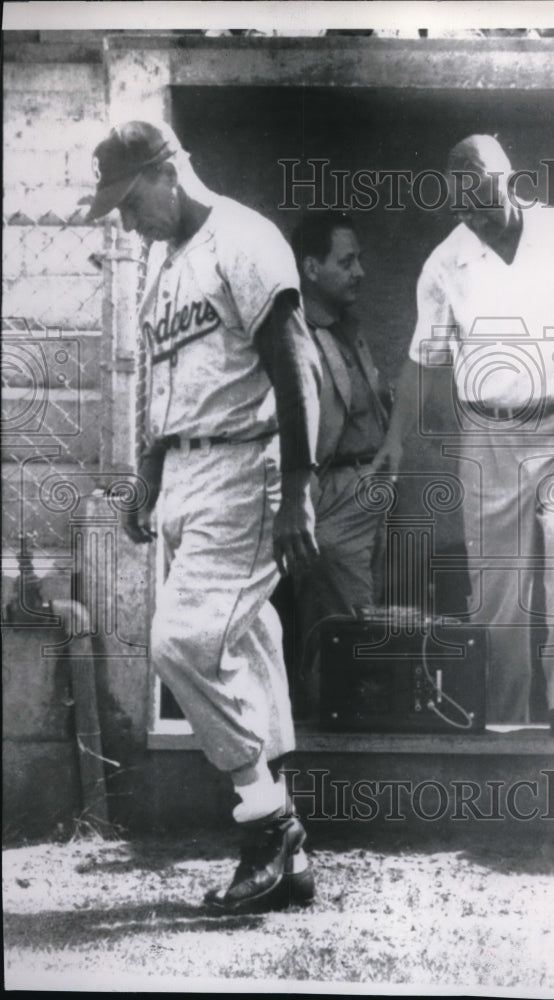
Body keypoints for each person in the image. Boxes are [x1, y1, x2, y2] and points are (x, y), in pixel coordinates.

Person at [85, 120, 322, 912]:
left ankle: (267, 823)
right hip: (187, 470)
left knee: (179, 642)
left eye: (128, 202)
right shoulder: (166, 267)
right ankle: (287, 869)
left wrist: (300, 489)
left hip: (244, 464)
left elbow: (294, 367)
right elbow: (164, 381)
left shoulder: (243, 238)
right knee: (248, 644)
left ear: (168, 172)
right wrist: (148, 474)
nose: (125, 221)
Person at [375, 134, 554, 735]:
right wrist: (394, 437)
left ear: (510, 184)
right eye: (464, 210)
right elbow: (423, 359)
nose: (478, 221)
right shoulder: (447, 262)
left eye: (486, 205)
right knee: (496, 586)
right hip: (490, 439)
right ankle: (505, 721)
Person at [289, 212, 389, 707]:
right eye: (346, 261)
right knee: (345, 623)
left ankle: (338, 718)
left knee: (350, 618)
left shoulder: (346, 327)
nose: (359, 272)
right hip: (334, 493)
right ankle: (340, 734)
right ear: (311, 267)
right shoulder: (297, 334)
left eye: (360, 260)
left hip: (367, 490)